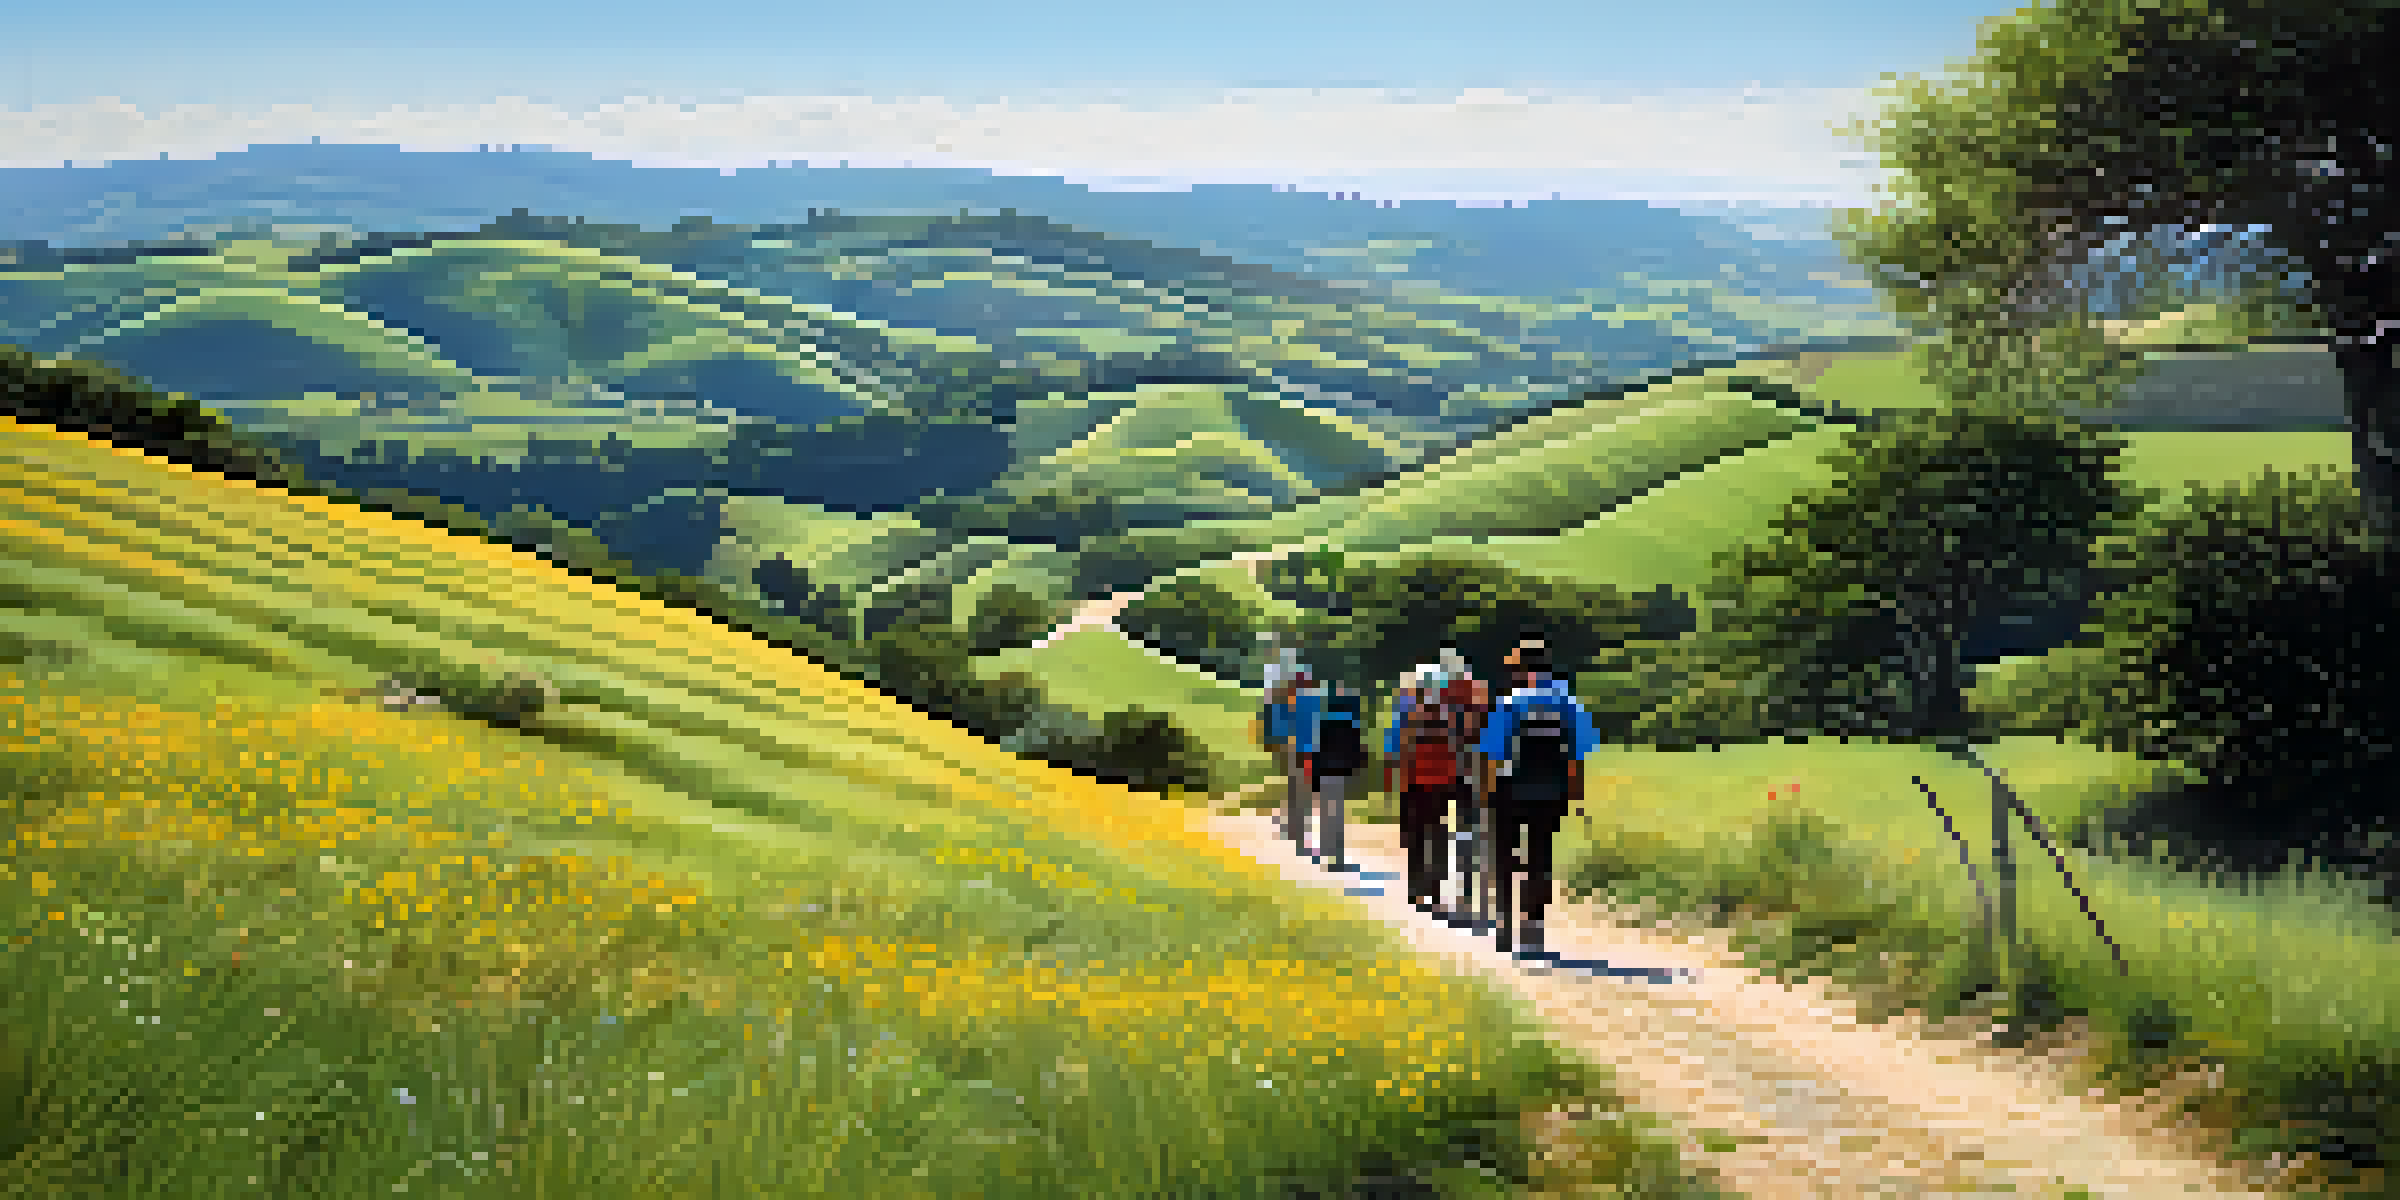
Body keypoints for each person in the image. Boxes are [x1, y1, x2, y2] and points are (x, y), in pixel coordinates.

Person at [1477, 636, 1600, 958]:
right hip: (1551, 790)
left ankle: (1504, 924)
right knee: (1539, 858)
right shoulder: (1569, 703)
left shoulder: (1510, 703)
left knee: (1503, 856)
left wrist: (1487, 792)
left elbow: (1492, 752)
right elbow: (1578, 755)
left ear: (1521, 669)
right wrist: (1575, 793)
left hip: (1510, 788)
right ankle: (1532, 928)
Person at [1386, 664, 1468, 912]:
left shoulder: (1411, 715)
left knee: (1418, 837)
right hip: (1442, 783)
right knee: (1438, 833)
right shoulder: (1450, 715)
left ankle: (1417, 890)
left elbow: (1402, 752)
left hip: (1417, 784)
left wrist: (1400, 783)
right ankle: (1434, 888)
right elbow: (1458, 750)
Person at [1436, 646, 1493, 929]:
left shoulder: (1443, 695)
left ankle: (1463, 902)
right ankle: (1478, 902)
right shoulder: (1480, 691)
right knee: (1477, 832)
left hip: (1457, 767)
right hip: (1481, 767)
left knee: (1463, 834)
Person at [1296, 675, 1367, 870]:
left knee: (1327, 814)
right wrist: (1355, 771)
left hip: (1325, 772)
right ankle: (1337, 855)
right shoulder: (1352, 724)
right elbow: (1357, 751)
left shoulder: (1322, 723)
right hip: (1340, 773)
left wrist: (1314, 779)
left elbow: (1316, 751)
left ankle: (1329, 851)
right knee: (1337, 815)